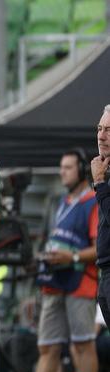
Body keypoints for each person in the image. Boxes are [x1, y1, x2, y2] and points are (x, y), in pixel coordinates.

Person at [10, 149, 98, 372]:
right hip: (54, 281)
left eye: (69, 168)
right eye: (61, 167)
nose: (62, 172)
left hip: (80, 280)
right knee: (47, 346)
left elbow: (101, 248)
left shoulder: (94, 201)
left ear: (83, 170)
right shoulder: (60, 201)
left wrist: (71, 257)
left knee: (83, 344)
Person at [93, 105, 110, 326]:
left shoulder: (102, 179)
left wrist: (99, 183)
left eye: (108, 130)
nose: (101, 136)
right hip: (105, 272)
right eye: (99, 128)